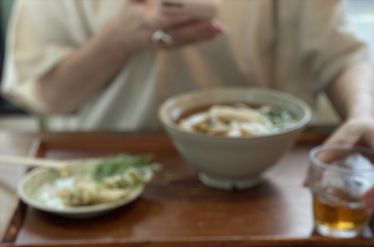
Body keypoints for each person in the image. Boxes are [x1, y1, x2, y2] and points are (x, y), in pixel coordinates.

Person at [1, 0, 374, 153]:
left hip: (264, 164)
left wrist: (362, 114)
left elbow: (340, 54)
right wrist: (116, 40)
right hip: (114, 159)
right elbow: (50, 97)